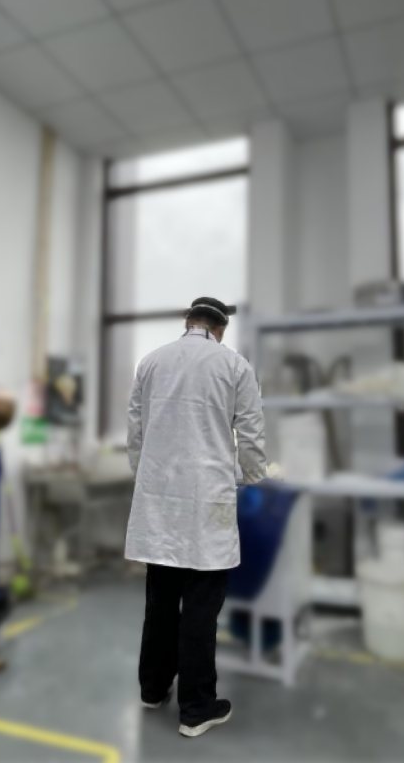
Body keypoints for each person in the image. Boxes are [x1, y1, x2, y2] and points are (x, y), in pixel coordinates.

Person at [125, 296, 268, 739]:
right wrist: (254, 476)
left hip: (159, 503)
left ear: (188, 321)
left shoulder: (151, 362)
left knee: (161, 602)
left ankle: (153, 689)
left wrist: (146, 476)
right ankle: (197, 708)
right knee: (201, 610)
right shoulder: (234, 365)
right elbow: (251, 432)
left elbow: (135, 430)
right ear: (220, 328)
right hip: (207, 503)